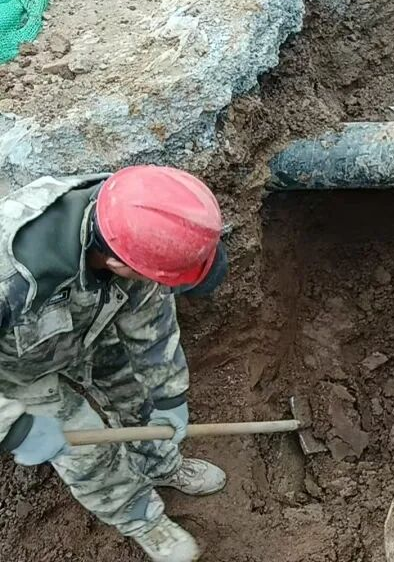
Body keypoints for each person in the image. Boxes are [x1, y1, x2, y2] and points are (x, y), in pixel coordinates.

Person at [0, 165, 229, 562]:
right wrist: (14, 427)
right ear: (120, 264)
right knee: (87, 450)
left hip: (89, 324)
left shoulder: (137, 225)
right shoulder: (10, 279)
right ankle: (141, 517)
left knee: (142, 399)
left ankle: (161, 466)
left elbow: (153, 324)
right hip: (17, 366)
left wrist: (169, 396)